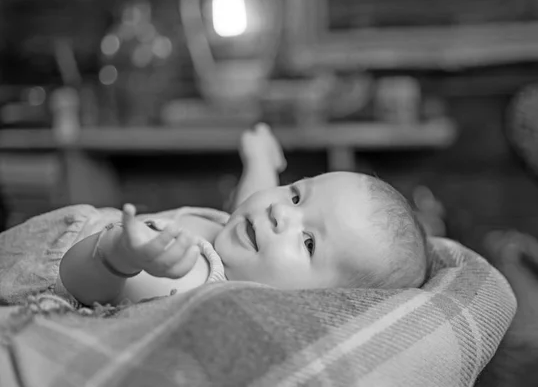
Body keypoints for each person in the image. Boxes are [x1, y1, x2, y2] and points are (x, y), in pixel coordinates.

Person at [57, 124, 428, 307]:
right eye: (298, 194)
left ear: (313, 302)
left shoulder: (187, 284)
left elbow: (75, 281)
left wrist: (121, 255)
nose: (281, 211)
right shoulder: (248, 246)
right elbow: (249, 201)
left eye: (309, 242)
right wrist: (261, 160)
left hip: (60, 260)